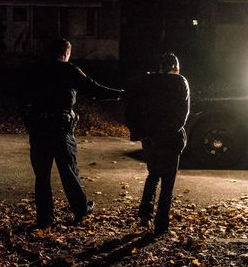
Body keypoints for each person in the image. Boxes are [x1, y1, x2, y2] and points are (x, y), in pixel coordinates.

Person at [20, 38, 123, 228]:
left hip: (39, 128)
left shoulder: (35, 70)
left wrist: (30, 123)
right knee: (69, 171)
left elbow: (21, 97)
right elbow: (93, 89)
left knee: (42, 176)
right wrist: (120, 94)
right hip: (60, 128)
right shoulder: (68, 70)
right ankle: (80, 209)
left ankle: (45, 219)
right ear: (66, 52)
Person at [126, 52, 190, 236]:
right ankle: (161, 225)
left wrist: (143, 133)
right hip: (171, 139)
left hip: (150, 138)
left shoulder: (147, 82)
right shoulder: (180, 82)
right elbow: (182, 114)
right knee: (167, 184)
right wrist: (168, 133)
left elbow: (134, 109)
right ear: (176, 69)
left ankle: (145, 216)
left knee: (153, 175)